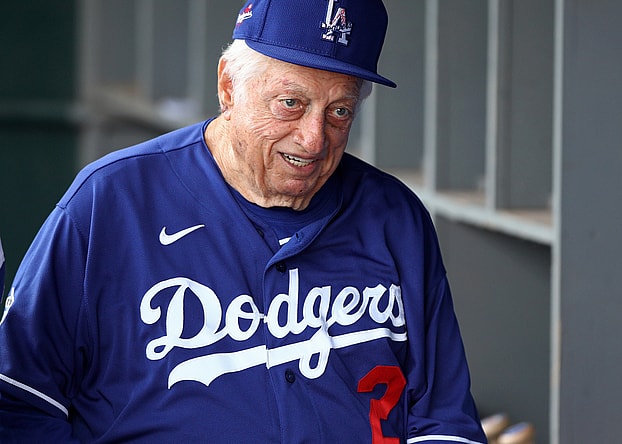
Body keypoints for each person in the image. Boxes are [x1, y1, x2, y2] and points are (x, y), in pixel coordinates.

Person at [0, 0, 486, 442]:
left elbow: (444, 420)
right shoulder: (110, 203)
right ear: (229, 86)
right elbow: (19, 401)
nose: (314, 139)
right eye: (290, 104)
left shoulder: (396, 218)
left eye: (339, 111)